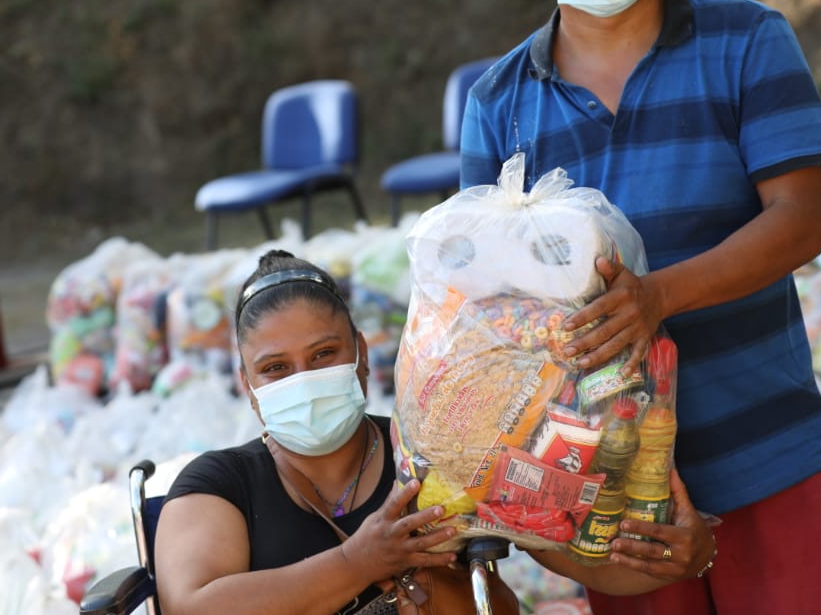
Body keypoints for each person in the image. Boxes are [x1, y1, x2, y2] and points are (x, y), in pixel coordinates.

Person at [460, 0, 821, 614]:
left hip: (765, 447)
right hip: (607, 484)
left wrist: (657, 297)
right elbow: (487, 307)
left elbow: (798, 223)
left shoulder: (747, 40)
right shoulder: (498, 104)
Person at [155, 249, 715, 615]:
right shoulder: (221, 482)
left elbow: (582, 556)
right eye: (275, 368)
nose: (303, 379)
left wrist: (688, 556)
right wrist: (361, 563)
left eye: (324, 354)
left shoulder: (436, 453)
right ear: (248, 385)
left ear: (360, 357)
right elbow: (193, 605)